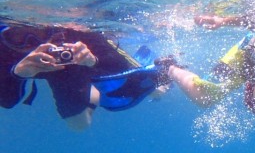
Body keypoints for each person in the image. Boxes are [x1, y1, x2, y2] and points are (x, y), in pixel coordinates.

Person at [0, 23, 173, 130]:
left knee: (155, 90)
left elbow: (119, 68)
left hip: (75, 67)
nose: (33, 43)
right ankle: (94, 89)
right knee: (79, 125)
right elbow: (6, 101)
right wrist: (18, 72)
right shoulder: (3, 48)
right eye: (19, 37)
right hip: (65, 72)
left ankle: (165, 70)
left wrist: (92, 61)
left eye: (41, 33)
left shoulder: (73, 32)